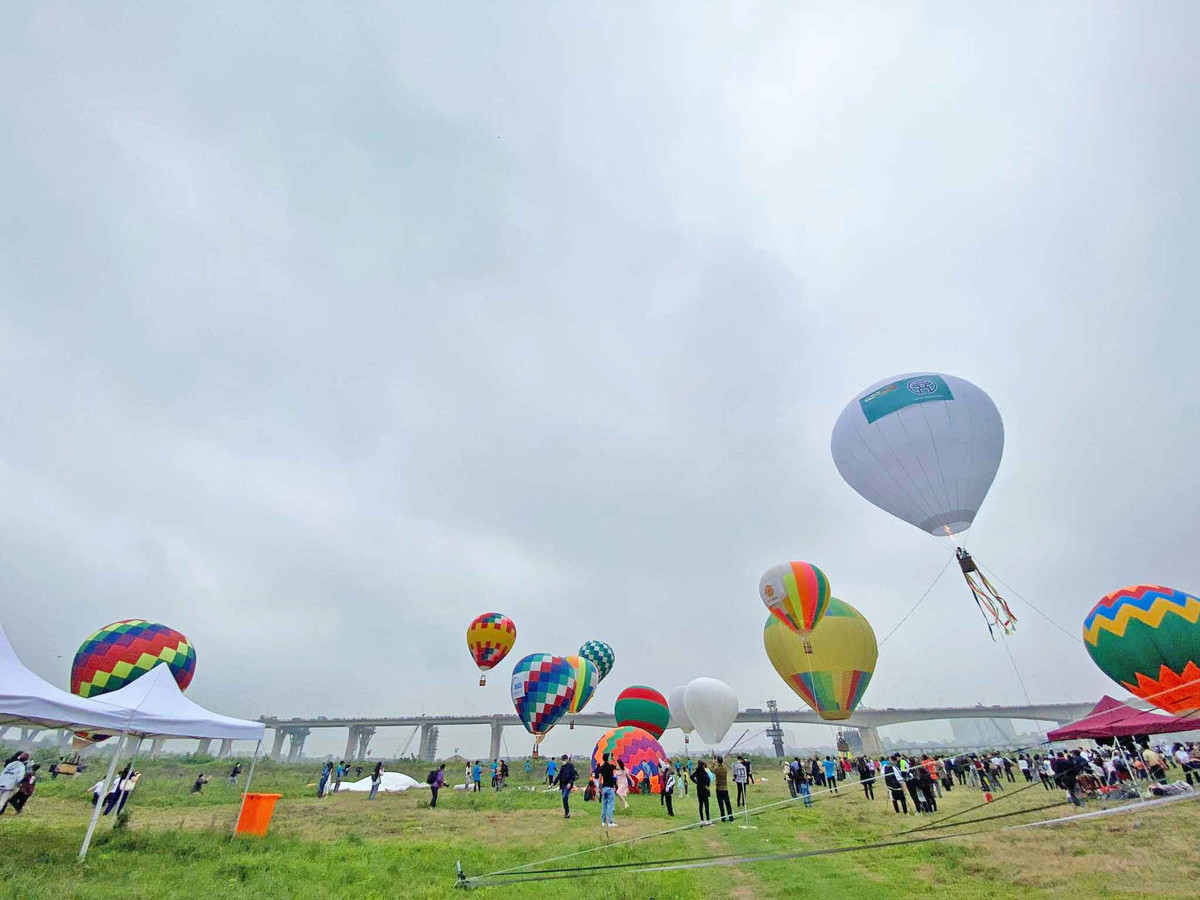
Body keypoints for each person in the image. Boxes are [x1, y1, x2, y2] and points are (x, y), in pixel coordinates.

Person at [596, 752, 618, 827]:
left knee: (604, 805)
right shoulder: (611, 766)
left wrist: (599, 787)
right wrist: (614, 759)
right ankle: (610, 822)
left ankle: (603, 821)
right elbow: (618, 767)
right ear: (608, 759)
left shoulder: (602, 767)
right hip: (610, 787)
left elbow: (600, 778)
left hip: (604, 787)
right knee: (611, 805)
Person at [556, 754, 577, 818]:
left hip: (568, 785)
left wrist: (570, 783)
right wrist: (553, 783)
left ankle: (567, 813)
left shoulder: (571, 766)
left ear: (566, 760)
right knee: (564, 799)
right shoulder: (563, 767)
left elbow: (573, 776)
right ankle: (566, 812)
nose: (563, 761)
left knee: (565, 797)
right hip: (563, 785)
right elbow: (559, 776)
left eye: (563, 760)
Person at [713, 756, 732, 822]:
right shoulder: (725, 769)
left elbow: (711, 770)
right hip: (725, 788)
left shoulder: (717, 769)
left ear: (717, 761)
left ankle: (723, 818)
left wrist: (713, 763)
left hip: (719, 788)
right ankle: (730, 817)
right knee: (728, 804)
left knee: (721, 804)